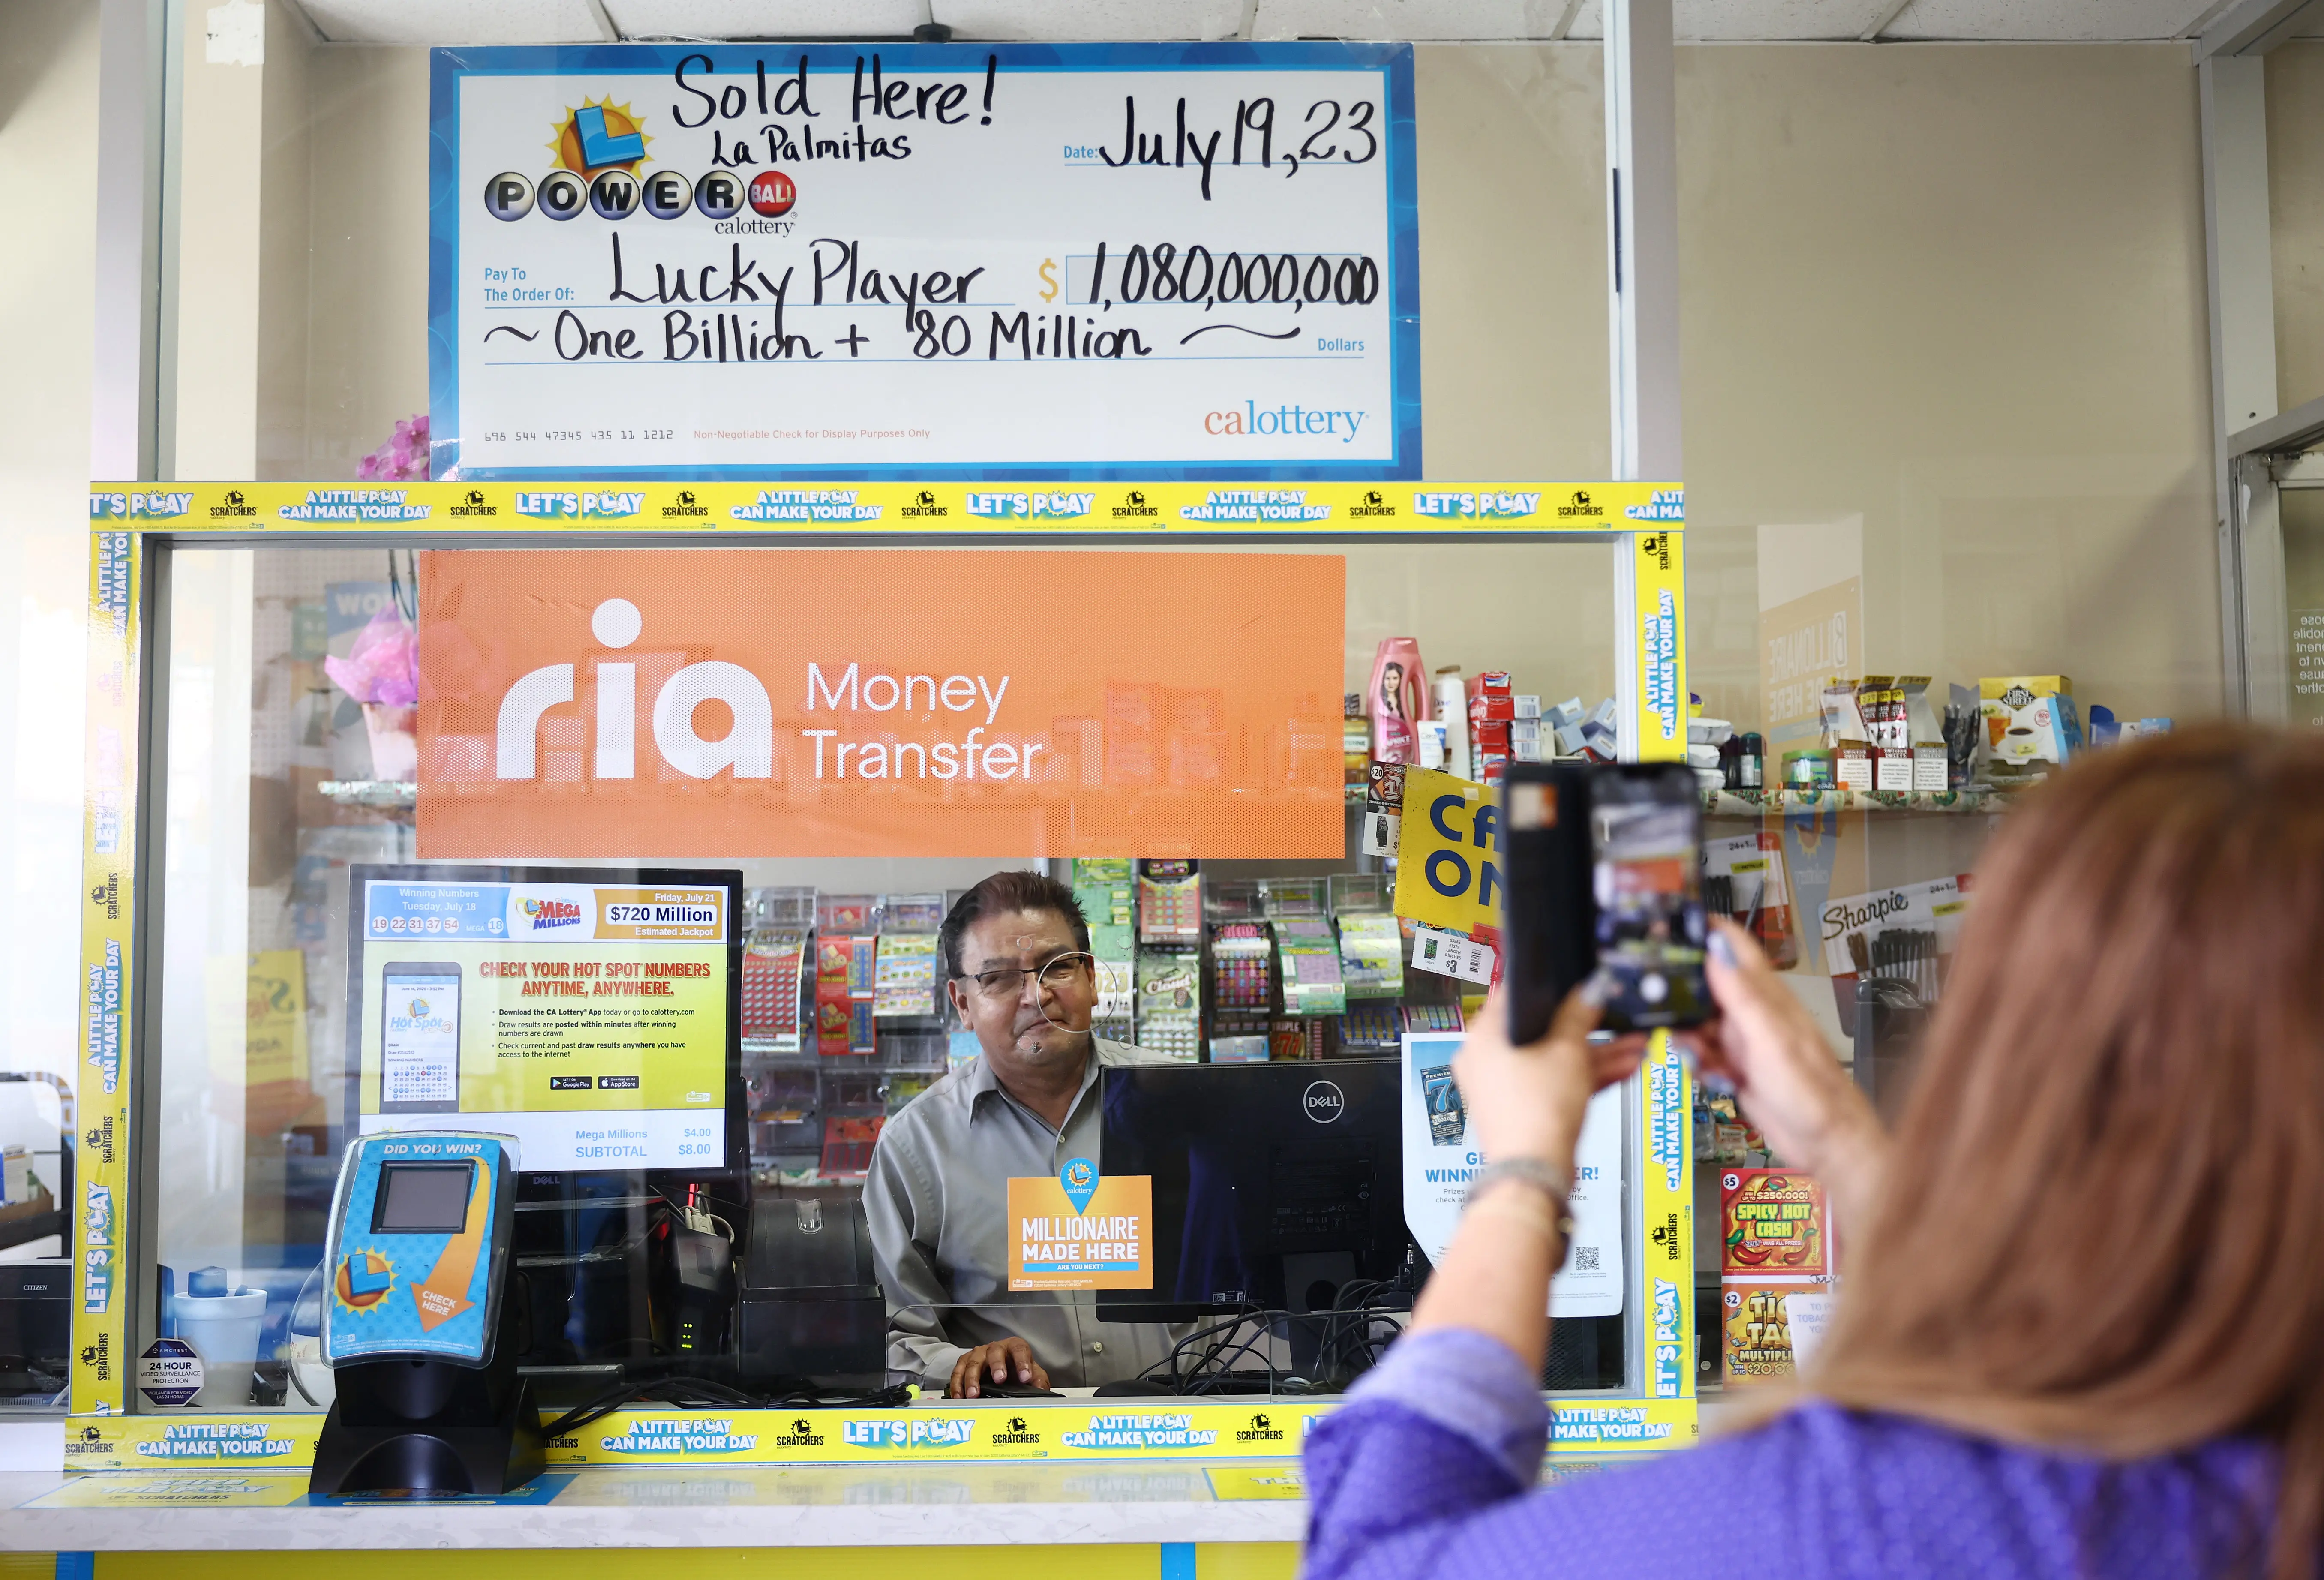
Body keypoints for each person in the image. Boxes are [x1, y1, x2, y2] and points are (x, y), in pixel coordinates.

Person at [1305, 725, 2324, 1579]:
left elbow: (1374, 1553)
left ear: (2017, 1074)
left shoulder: (1878, 1519)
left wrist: (1522, 1167)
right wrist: (1840, 1142)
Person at [865, 870, 1183, 1397]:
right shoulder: (916, 1147)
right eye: (999, 978)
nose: (1036, 995)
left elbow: (1263, 1294)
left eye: (1056, 967)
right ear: (962, 1003)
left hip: (1192, 1428)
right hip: (1012, 1449)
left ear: (1090, 977)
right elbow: (891, 1332)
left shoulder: (1182, 1104)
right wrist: (965, 1363)